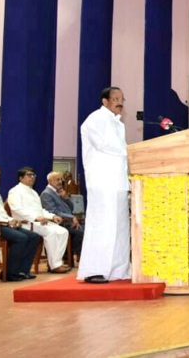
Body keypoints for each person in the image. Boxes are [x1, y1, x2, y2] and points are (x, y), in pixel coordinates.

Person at [78, 86, 131, 284]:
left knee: (119, 227)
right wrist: (132, 150)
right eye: (116, 98)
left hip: (117, 182)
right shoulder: (95, 119)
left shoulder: (118, 124)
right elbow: (105, 145)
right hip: (102, 182)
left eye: (122, 98)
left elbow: (121, 153)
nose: (120, 102)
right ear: (105, 101)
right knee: (102, 225)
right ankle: (94, 270)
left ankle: (119, 269)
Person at [0, 164, 41, 281]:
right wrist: (7, 221)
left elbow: (2, 214)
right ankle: (9, 273)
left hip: (0, 225)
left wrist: (11, 220)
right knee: (21, 238)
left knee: (34, 236)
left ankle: (22, 270)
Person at [7, 167, 71, 273]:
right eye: (29, 175)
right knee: (51, 233)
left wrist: (52, 216)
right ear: (21, 178)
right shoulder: (15, 191)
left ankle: (55, 263)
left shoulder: (33, 192)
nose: (32, 177)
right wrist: (35, 217)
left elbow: (40, 210)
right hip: (25, 223)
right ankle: (54, 265)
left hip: (39, 222)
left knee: (63, 231)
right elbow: (17, 208)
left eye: (33, 175)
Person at [40, 171, 84, 260]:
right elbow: (53, 211)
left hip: (68, 221)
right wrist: (71, 217)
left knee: (87, 229)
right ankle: (68, 255)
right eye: (58, 180)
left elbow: (71, 208)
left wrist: (66, 198)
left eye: (61, 179)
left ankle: (73, 255)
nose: (60, 181)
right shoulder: (46, 194)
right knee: (80, 233)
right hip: (59, 223)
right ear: (50, 181)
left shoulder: (59, 192)